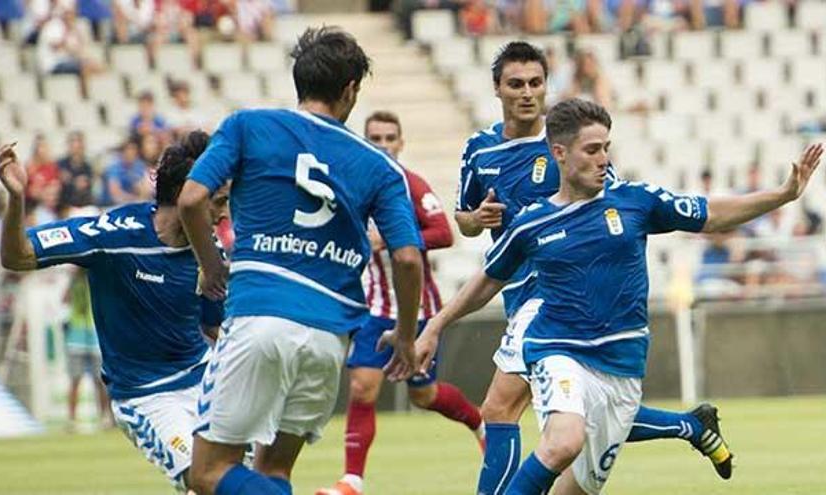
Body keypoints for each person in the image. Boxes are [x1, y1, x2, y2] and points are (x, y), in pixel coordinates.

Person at [421, 98, 823, 495]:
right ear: (559, 153)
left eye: (606, 148)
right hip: (558, 350)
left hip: (621, 370)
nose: (603, 159)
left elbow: (711, 213)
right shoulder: (532, 223)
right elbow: (488, 280)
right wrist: (436, 325)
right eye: (592, 150)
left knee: (573, 490)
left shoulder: (636, 201)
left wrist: (782, 195)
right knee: (562, 442)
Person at [455, 41, 732, 495]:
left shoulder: (574, 143)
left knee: (501, 407)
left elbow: (614, 206)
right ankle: (690, 427)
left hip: (553, 296)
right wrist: (475, 220)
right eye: (516, 84)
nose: (527, 93)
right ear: (497, 90)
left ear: (547, 87)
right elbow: (464, 221)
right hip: (516, 291)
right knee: (587, 411)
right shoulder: (479, 150)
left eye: (536, 83)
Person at [177, 26, 424, 495]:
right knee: (274, 471)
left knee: (208, 472)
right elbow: (408, 259)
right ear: (351, 90)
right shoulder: (380, 166)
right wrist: (406, 336)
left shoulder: (248, 126)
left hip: (260, 314)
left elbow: (191, 199)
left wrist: (211, 267)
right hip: (329, 338)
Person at [0, 130, 229, 492]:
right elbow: (17, 255)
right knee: (206, 482)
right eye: (217, 201)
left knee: (245, 480)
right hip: (147, 397)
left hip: (205, 382)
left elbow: (217, 330)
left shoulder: (210, 252)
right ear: (188, 197)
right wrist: (15, 199)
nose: (224, 213)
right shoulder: (113, 235)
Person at [317, 111, 482, 495]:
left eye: (390, 138)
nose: (383, 144)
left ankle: (479, 423)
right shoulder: (351, 184)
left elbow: (444, 233)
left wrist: (392, 239)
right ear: (365, 140)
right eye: (375, 137)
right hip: (374, 307)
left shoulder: (411, 184)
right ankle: (352, 480)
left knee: (423, 395)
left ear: (401, 143)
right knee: (362, 387)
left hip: (418, 309)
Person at [63, 265, 112, 432]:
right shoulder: (74, 280)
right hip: (80, 335)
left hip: (92, 335)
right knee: (77, 380)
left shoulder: (98, 278)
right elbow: (65, 299)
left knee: (99, 380)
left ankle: (104, 417)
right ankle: (73, 419)